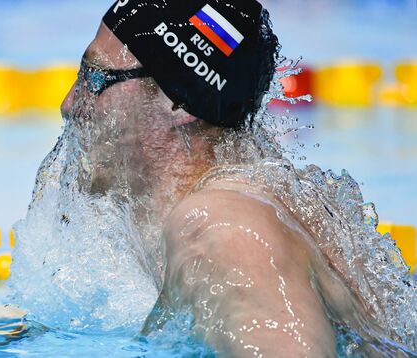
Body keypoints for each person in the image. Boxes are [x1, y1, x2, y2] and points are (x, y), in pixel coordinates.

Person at [46, 0, 402, 356]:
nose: (68, 104)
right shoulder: (246, 201)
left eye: (94, 78)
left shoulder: (218, 232)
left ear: (179, 101)